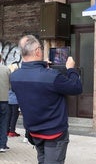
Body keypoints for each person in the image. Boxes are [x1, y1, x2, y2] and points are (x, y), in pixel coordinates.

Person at [10, 35, 83, 163]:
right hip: (54, 133)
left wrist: (43, 67)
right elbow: (76, 87)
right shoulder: (52, 77)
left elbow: (36, 85)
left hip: (34, 133)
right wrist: (71, 69)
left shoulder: (15, 77)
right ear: (38, 51)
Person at [0, 54, 10, 152]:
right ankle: (2, 145)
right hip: (4, 100)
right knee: (3, 123)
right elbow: (10, 86)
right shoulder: (6, 69)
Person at [7, 64, 20, 137]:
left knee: (8, 115)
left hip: (8, 99)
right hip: (15, 100)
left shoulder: (8, 77)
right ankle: (12, 131)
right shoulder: (15, 78)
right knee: (14, 116)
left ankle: (7, 130)